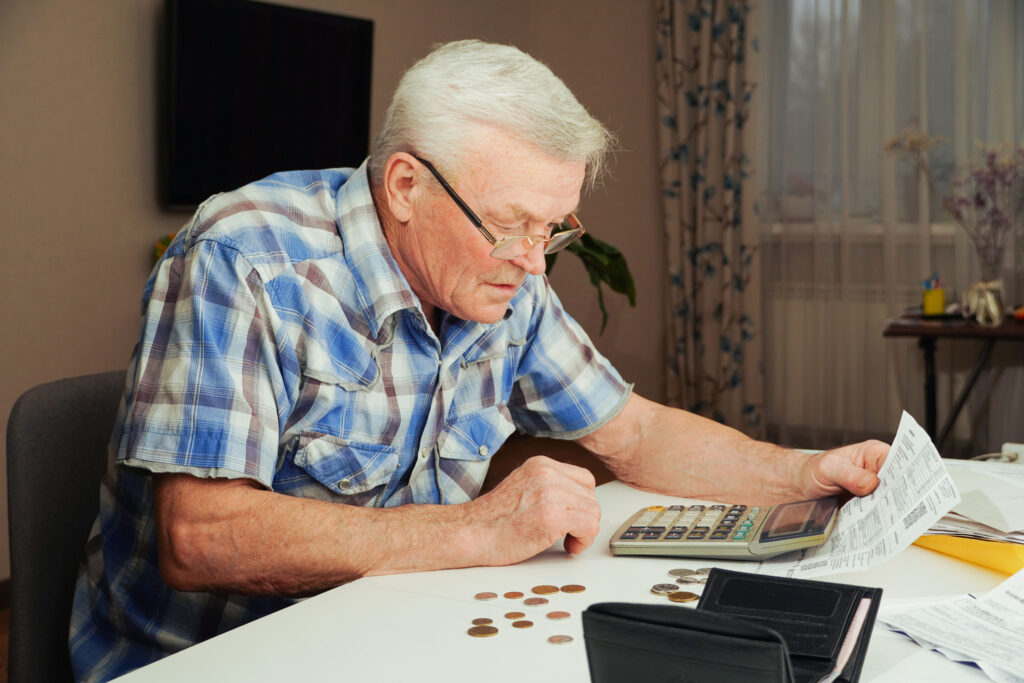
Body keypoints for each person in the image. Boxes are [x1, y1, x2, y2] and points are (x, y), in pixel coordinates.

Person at [69, 39, 888, 681]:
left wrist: (806, 471)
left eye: (553, 228)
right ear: (402, 186)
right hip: (211, 664)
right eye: (513, 224)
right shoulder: (244, 259)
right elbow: (201, 537)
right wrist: (475, 527)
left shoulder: (499, 279)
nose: (535, 261)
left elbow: (632, 433)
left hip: (395, 636)